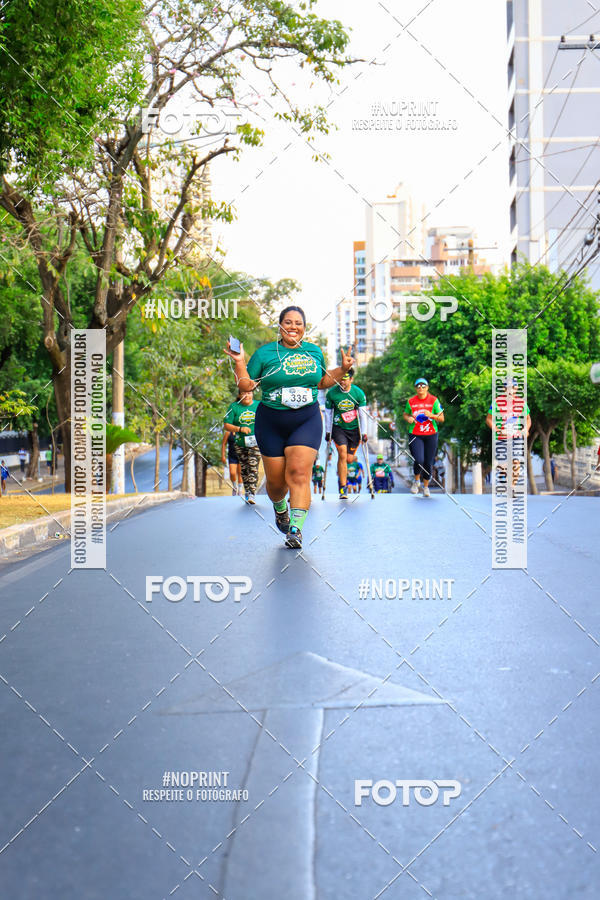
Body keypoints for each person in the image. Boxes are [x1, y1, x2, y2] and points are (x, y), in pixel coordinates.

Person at [225, 305, 355, 548]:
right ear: (280, 326)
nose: (293, 327)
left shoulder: (314, 352)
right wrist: (240, 361)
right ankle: (279, 506)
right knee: (276, 484)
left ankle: (295, 529)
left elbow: (322, 381)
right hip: (270, 421)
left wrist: (343, 369)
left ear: (304, 328)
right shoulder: (265, 354)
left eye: (298, 323)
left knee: (299, 473)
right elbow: (246, 386)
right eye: (288, 322)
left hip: (306, 419)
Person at [323, 368, 368, 500]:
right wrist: (328, 431)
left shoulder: (358, 393)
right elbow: (328, 414)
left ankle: (343, 479)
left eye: (345, 379)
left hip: (354, 430)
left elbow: (362, 415)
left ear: (351, 379)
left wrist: (364, 433)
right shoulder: (332, 394)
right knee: (342, 453)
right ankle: (343, 487)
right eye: (340, 379)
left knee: (349, 459)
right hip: (339, 428)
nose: (342, 382)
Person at [403, 377, 444, 498]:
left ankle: (425, 487)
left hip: (431, 434)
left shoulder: (434, 401)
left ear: (427, 388)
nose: (421, 388)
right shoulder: (411, 401)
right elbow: (405, 414)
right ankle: (416, 482)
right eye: (418, 386)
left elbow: (442, 418)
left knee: (428, 462)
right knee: (419, 459)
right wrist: (408, 418)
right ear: (415, 388)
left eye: (423, 386)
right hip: (416, 434)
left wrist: (431, 415)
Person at [486, 380, 531, 488]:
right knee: (504, 465)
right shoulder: (497, 403)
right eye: (509, 388)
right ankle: (503, 475)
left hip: (516, 436)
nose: (511, 390)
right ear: (504, 389)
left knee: (516, 462)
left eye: (514, 388)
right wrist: (497, 430)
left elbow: (528, 419)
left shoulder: (521, 403)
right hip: (502, 437)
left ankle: (512, 487)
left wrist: (526, 429)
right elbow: (488, 419)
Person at [224, 390, 261, 504]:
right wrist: (239, 429)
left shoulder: (259, 405)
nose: (247, 396)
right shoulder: (234, 407)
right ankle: (247, 491)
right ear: (239, 395)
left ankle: (252, 493)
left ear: (252, 394)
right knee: (244, 469)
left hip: (256, 442)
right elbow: (226, 425)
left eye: (249, 393)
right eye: (244, 393)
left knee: (253, 466)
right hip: (240, 443)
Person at [221, 430, 244, 496]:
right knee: (232, 473)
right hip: (232, 456)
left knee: (240, 474)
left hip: (241, 455)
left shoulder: (242, 431)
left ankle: (240, 490)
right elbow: (223, 444)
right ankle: (234, 487)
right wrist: (223, 456)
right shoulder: (228, 432)